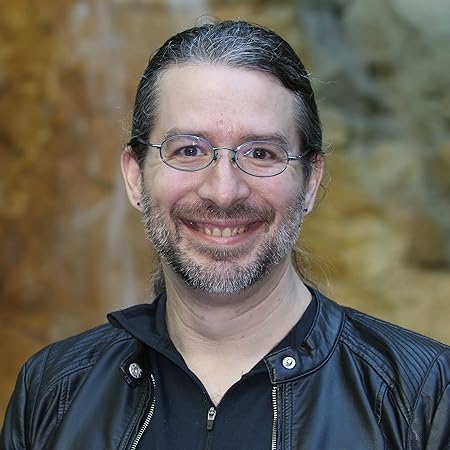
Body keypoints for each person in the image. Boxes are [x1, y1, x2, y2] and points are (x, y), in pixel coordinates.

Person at [1, 20, 449, 450]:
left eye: (261, 153)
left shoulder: (423, 396)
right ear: (135, 177)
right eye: (188, 150)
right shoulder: (53, 389)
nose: (223, 191)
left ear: (310, 182)